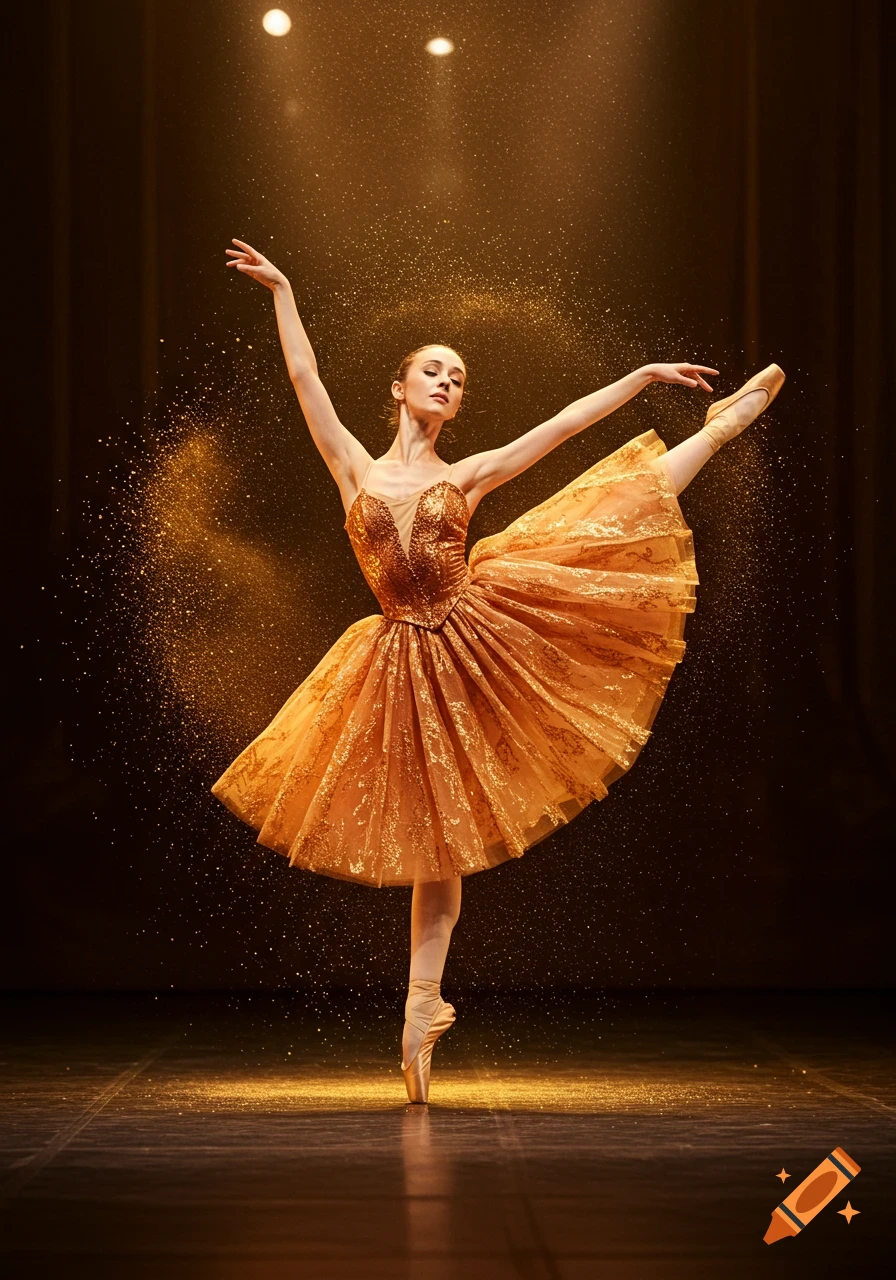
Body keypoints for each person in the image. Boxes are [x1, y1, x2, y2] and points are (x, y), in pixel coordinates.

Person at [211, 237, 785, 1102]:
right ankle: (420, 1011)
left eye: (459, 379)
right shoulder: (353, 469)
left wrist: (639, 377)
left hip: (478, 634)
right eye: (433, 372)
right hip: (399, 660)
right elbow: (305, 381)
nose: (448, 383)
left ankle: (713, 435)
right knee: (437, 845)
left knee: (598, 523)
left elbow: (559, 432)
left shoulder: (468, 473)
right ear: (400, 389)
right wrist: (285, 289)